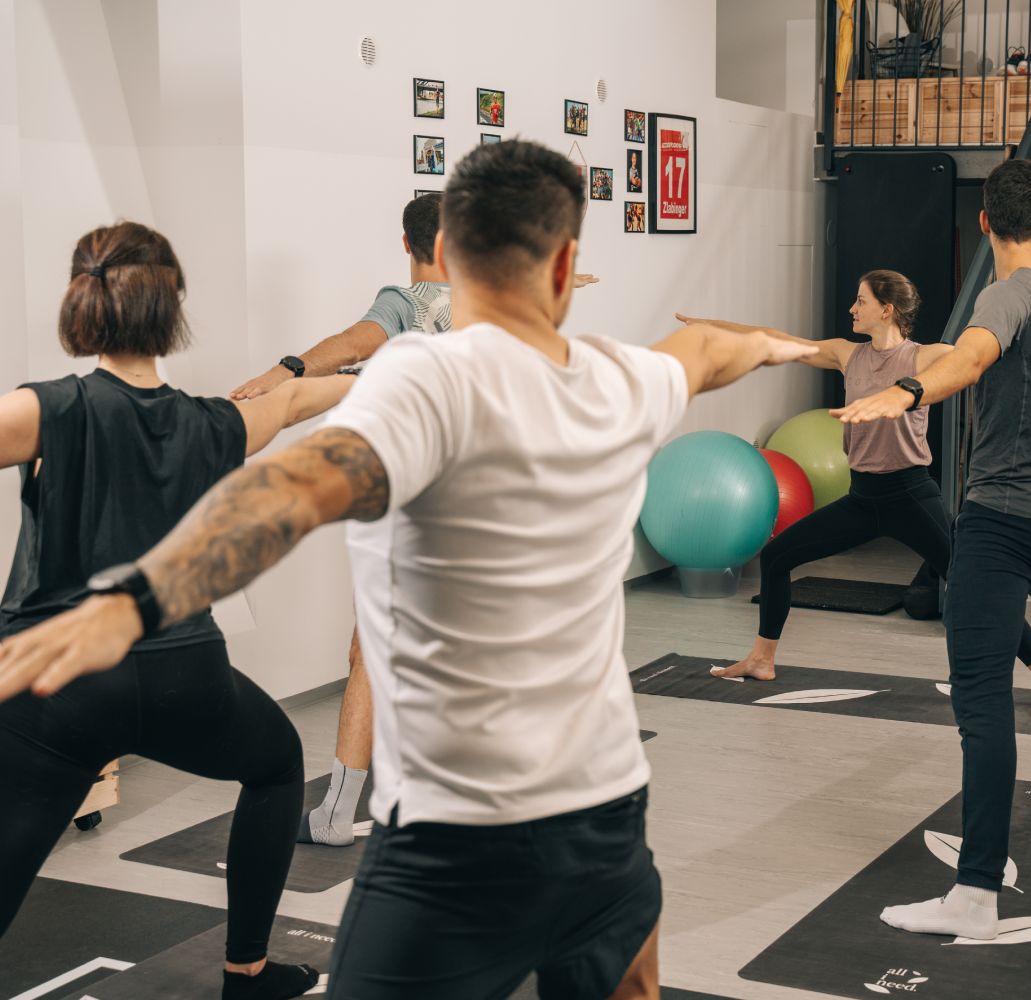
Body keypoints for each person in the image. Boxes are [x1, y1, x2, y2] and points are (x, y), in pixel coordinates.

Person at [0, 139, 816, 999]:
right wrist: (776, 344)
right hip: (607, 825)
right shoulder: (622, 376)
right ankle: (249, 968)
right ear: (570, 264)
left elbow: (296, 486)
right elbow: (706, 351)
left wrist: (135, 601)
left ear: (441, 258)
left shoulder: (416, 374)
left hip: (454, 845)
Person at [0, 221, 356, 999]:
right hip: (182, 676)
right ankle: (247, 975)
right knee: (275, 766)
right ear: (172, 309)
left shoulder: (46, 410)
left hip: (59, 689)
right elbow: (295, 400)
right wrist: (397, 373)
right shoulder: (211, 423)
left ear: (81, 300)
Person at [230, 194, 599, 848]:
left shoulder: (405, 304)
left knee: (373, 652)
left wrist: (283, 370)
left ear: (408, 242)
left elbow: (351, 344)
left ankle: (346, 811)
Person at [836, 159, 1031, 940]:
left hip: (1003, 524)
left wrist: (903, 393)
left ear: (982, 223)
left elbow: (967, 360)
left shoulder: (1004, 296)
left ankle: (974, 896)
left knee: (980, 702)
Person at [676, 264, 1031, 713]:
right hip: (861, 498)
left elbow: (995, 356)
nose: (852, 308)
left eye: (861, 301)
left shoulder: (924, 357)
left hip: (910, 496)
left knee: (972, 584)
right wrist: (712, 328)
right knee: (776, 557)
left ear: (886, 310)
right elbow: (771, 341)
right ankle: (761, 658)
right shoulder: (846, 354)